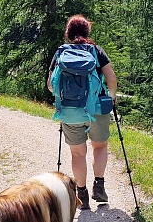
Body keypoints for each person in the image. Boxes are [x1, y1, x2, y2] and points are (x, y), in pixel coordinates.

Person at [47, 14, 118, 210]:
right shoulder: (96, 51)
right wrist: (111, 97)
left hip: (70, 111)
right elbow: (111, 79)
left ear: (68, 33)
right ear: (87, 31)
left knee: (78, 154)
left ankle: (82, 194)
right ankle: (99, 185)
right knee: (100, 147)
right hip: (97, 109)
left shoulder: (61, 53)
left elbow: (51, 85)